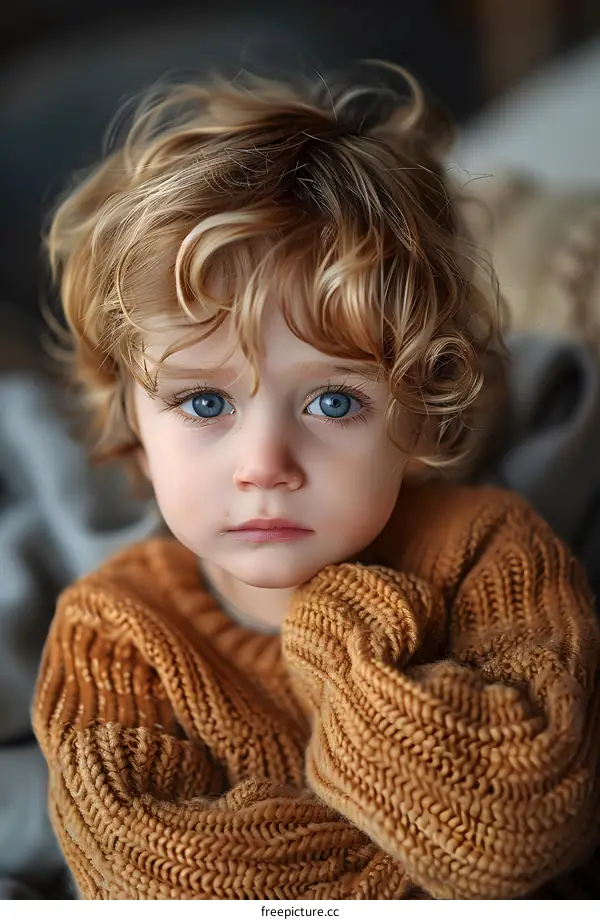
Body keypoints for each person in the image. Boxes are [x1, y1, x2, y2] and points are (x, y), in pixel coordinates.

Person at [31, 63, 600, 899]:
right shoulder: (116, 630)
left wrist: (341, 623)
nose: (265, 464)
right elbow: (148, 881)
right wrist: (417, 845)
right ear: (135, 433)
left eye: (334, 400)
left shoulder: (487, 548)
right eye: (204, 401)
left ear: (419, 418)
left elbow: (523, 825)